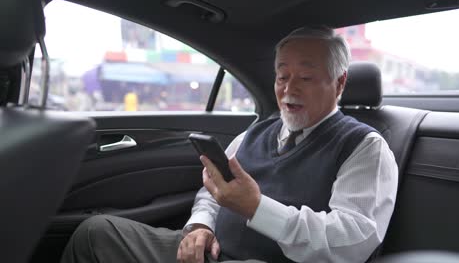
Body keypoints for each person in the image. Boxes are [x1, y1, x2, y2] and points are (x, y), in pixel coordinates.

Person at [60, 26, 398, 263]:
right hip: (213, 252)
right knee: (95, 233)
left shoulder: (363, 147)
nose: (289, 87)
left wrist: (256, 208)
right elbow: (212, 192)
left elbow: (352, 240)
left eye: (306, 77)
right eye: (282, 76)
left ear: (339, 83)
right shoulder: (253, 134)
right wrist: (200, 226)